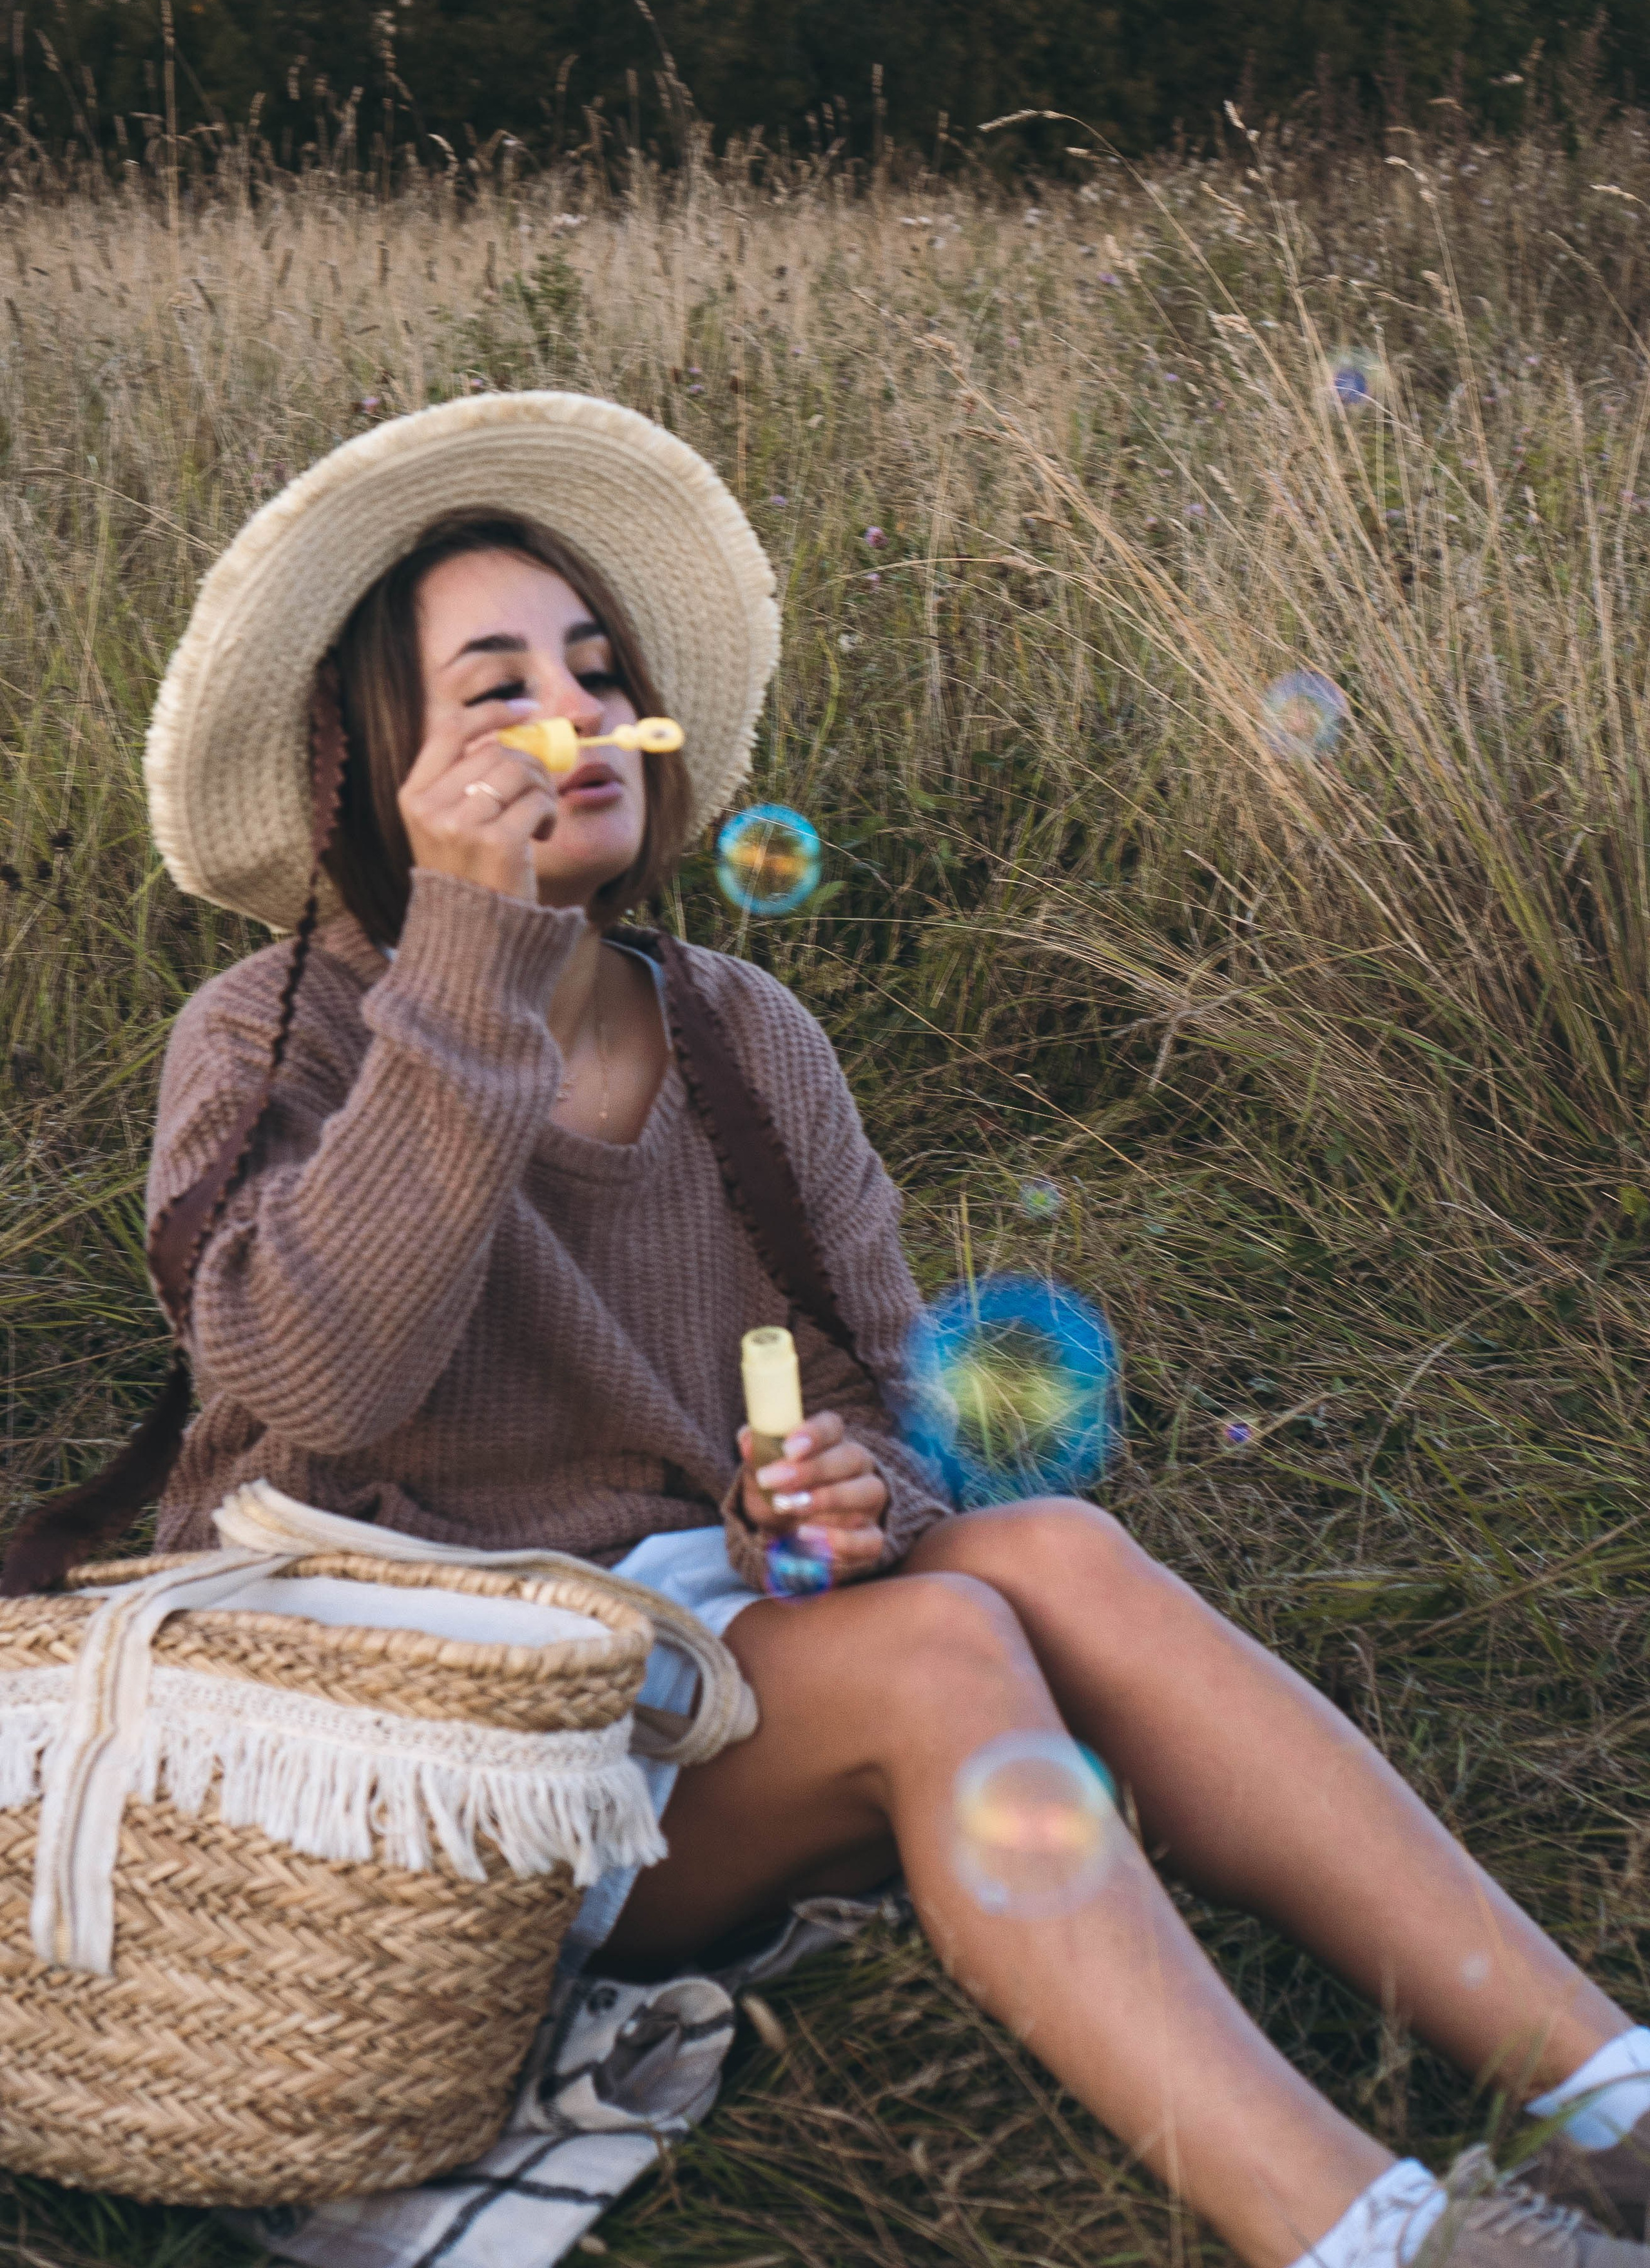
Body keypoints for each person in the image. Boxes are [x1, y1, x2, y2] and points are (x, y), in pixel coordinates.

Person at [137, 393, 1650, 2268]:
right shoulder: (279, 1038)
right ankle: (1378, 2240)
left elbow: (886, 1403)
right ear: (375, 770)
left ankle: (1615, 2103)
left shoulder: (742, 1037)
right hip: (428, 1751)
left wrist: (860, 1489)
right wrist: (464, 960)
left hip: (695, 1677)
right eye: (497, 685)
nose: (577, 716)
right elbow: (314, 1380)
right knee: (945, 1654)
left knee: (1055, 1557)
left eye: (601, 670)